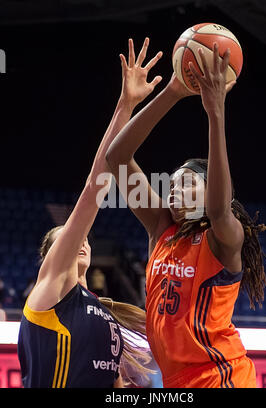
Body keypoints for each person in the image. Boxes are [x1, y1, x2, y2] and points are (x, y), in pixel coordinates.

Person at [106, 43, 266, 388]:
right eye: (171, 184)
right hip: (176, 381)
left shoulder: (224, 238)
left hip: (221, 376)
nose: (173, 190)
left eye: (186, 183)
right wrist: (172, 91)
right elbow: (117, 157)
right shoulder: (162, 229)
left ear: (211, 190)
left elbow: (218, 207)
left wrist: (215, 113)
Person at [17, 37, 162, 388]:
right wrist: (125, 105)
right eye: (64, 239)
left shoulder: (102, 313)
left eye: (81, 238)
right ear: (48, 258)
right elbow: (94, 188)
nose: (78, 239)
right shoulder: (51, 290)